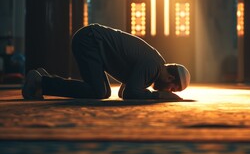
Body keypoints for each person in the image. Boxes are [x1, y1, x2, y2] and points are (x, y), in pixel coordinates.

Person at [22, 24, 190, 100]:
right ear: (170, 78)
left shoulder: (154, 66)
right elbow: (131, 93)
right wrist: (160, 96)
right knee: (98, 92)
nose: (171, 92)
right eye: (173, 89)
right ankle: (40, 82)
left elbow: (124, 92)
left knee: (104, 92)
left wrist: (143, 91)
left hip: (90, 40)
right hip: (89, 41)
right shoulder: (153, 66)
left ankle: (44, 78)